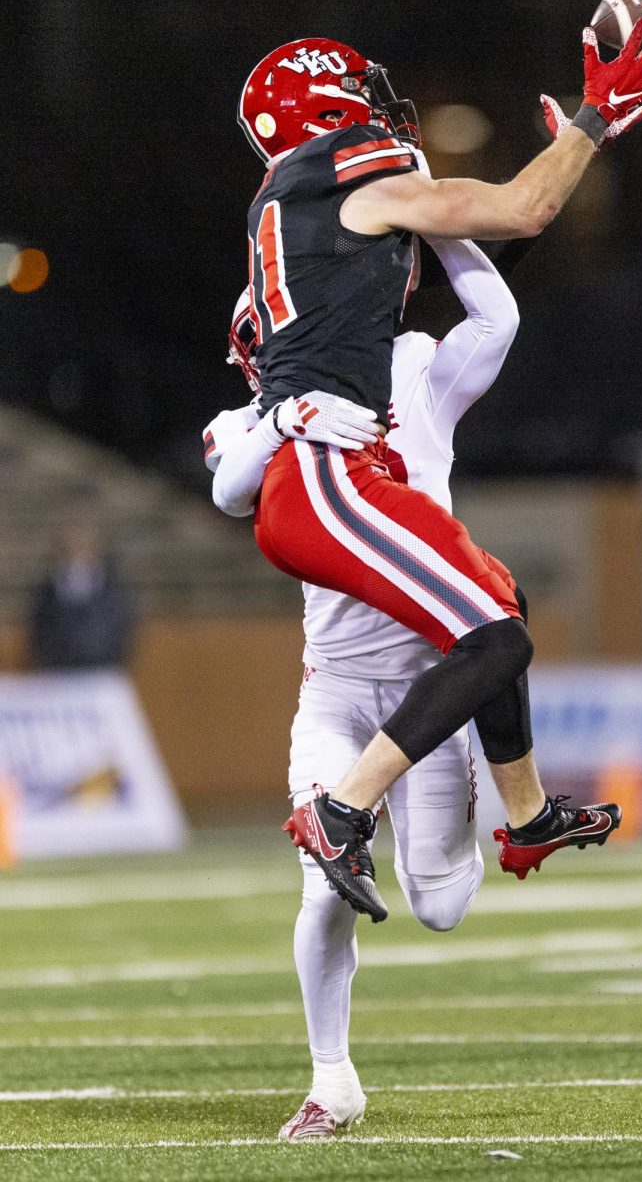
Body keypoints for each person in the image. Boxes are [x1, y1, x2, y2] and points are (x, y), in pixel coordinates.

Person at [233, 21, 642, 921]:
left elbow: (479, 256)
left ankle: (527, 813)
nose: (384, 116)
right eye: (362, 99)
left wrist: (569, 149)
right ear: (329, 114)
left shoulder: (310, 209)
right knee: (495, 638)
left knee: (498, 600)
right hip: (327, 476)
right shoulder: (329, 174)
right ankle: (342, 809)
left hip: (335, 473)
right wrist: (593, 120)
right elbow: (520, 211)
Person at [204, 231, 532, 1138]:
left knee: (439, 905)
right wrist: (281, 419)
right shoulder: (253, 425)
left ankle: (475, 817)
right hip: (337, 690)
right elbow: (232, 490)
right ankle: (331, 1079)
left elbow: (496, 317)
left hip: (430, 694)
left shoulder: (413, 371)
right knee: (321, 884)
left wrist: (438, 216)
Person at [29, 525, 135, 670]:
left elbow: (122, 626)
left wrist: (111, 658)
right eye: (73, 549)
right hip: (59, 671)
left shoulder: (112, 589)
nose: (79, 555)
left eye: (83, 548)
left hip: (102, 670)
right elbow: (40, 627)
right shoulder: (48, 590)